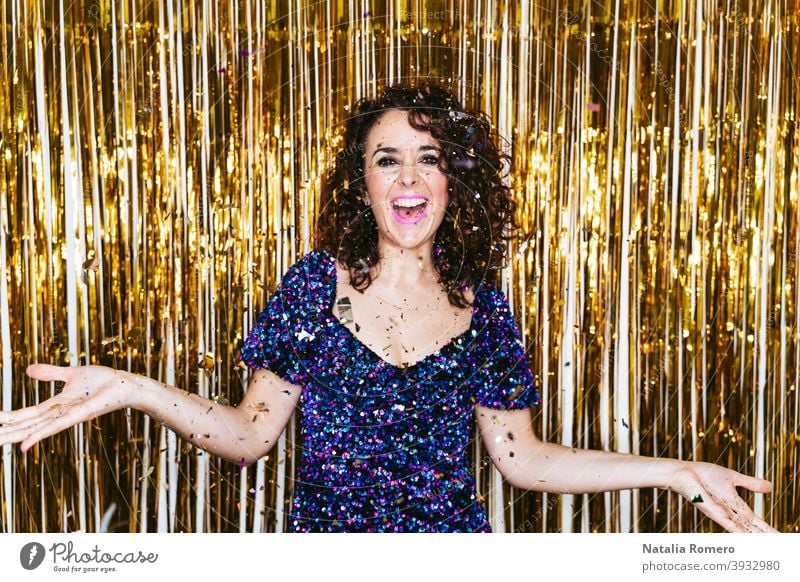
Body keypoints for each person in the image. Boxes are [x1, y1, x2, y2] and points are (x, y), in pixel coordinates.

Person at [0, 83, 776, 533]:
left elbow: (524, 460)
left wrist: (672, 473)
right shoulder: (312, 287)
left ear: (453, 182)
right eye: (387, 158)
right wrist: (134, 389)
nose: (409, 177)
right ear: (362, 183)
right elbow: (246, 436)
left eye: (429, 158)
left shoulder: (486, 309)